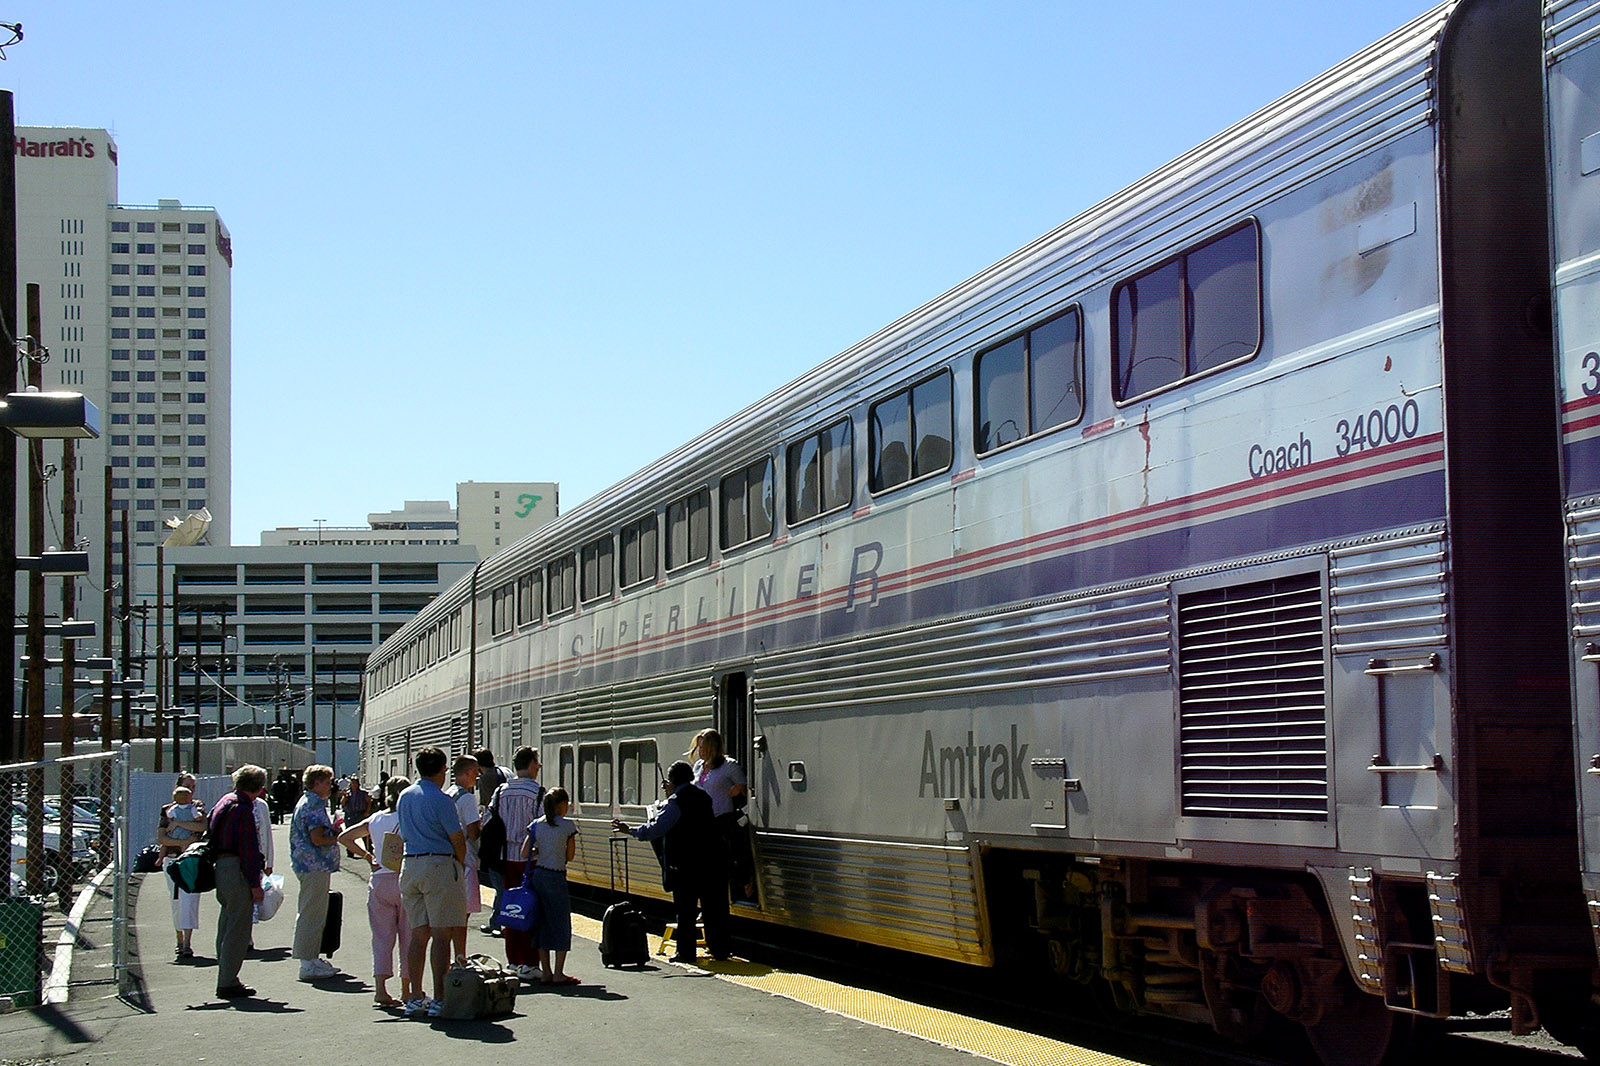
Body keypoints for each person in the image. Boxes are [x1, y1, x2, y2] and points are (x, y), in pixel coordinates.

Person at [613, 761, 730, 963]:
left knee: (685, 911)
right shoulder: (703, 796)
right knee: (712, 909)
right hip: (710, 861)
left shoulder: (675, 802)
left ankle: (686, 953)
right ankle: (719, 950)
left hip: (685, 865)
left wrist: (629, 830)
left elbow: (655, 829)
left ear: (672, 780)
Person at [395, 746, 467, 1017]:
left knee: (419, 933)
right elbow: (457, 839)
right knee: (441, 934)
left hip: (410, 863)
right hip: (438, 864)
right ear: (441, 770)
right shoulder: (441, 799)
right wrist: (459, 863)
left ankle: (414, 996)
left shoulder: (404, 796)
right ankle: (439, 997)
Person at [339, 775, 417, 1007]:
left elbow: (345, 837)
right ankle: (407, 990)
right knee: (409, 938)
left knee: (382, 938)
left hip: (380, 880)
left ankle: (381, 989)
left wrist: (368, 856)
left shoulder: (375, 819)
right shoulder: (410, 818)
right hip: (405, 879)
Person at [209, 764, 268, 999]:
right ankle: (228, 980)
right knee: (239, 927)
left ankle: (224, 969)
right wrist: (255, 883)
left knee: (227, 921)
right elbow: (248, 849)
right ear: (259, 788)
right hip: (236, 869)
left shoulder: (225, 802)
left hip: (221, 866)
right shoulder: (243, 809)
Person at [290, 764, 342, 982]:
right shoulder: (313, 805)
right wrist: (337, 835)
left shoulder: (309, 802)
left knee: (313, 911)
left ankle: (311, 957)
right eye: (327, 781)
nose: (330, 786)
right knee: (312, 913)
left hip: (310, 865)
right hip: (314, 865)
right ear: (317, 782)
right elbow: (317, 838)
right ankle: (307, 961)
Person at [496, 747, 545, 975]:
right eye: (537, 762)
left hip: (506, 857)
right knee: (530, 910)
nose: (539, 767)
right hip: (530, 860)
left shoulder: (500, 792)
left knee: (511, 909)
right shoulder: (538, 793)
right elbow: (544, 827)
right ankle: (530, 962)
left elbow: (488, 820)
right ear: (531, 764)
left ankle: (513, 961)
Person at [690, 728, 755, 900]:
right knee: (705, 863)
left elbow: (746, 786)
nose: (700, 751)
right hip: (702, 820)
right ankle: (708, 900)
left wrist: (739, 789)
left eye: (703, 747)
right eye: (699, 747)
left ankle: (743, 879)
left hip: (722, 818)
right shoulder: (698, 766)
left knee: (721, 858)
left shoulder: (729, 766)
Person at [526, 787, 579, 984]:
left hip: (538, 876)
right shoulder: (567, 826)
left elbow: (525, 853)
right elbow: (570, 856)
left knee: (542, 923)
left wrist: (540, 850)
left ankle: (546, 972)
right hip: (556, 877)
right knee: (560, 923)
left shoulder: (536, 825)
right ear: (562, 805)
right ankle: (559, 973)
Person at [157, 774, 207, 960]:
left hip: (192, 860)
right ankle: (179, 940)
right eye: (188, 786)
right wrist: (183, 839)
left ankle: (187, 942)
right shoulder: (167, 809)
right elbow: (162, 837)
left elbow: (202, 827)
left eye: (193, 786)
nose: (191, 790)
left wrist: (178, 824)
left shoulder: (198, 807)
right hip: (172, 858)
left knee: (190, 900)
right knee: (176, 900)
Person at [444, 754, 482, 960]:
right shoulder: (467, 798)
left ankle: (453, 956)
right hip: (465, 858)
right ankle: (460, 956)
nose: (477, 776)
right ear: (466, 773)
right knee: (461, 917)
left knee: (452, 915)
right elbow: (473, 832)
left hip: (450, 858)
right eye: (475, 772)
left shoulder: (450, 793)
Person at [473, 748, 509, 935]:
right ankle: (497, 921)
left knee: (499, 884)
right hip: (508, 833)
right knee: (503, 883)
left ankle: (499, 922)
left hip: (495, 835)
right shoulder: (504, 771)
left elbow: (487, 805)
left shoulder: (486, 778)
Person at [342, 775, 372, 858]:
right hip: (350, 814)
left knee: (364, 833)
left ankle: (369, 850)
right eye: (352, 783)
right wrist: (344, 797)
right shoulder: (347, 793)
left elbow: (369, 802)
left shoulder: (363, 793)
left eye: (355, 783)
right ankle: (350, 851)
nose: (354, 785)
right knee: (349, 834)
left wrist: (367, 812)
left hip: (360, 814)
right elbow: (342, 803)